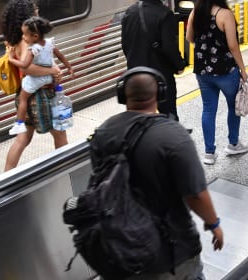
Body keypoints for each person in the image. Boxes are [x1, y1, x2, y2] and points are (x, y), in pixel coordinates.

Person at [89, 70, 224, 278]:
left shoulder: (103, 132)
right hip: (171, 251)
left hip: (121, 248)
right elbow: (195, 194)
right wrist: (214, 224)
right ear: (160, 93)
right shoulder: (173, 135)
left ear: (123, 96)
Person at [184, 0, 248, 165]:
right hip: (225, 71)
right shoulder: (225, 14)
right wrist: (242, 69)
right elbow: (233, 45)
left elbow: (189, 38)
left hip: (203, 72)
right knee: (233, 107)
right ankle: (233, 144)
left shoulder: (196, 11)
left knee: (208, 109)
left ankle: (209, 154)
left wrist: (205, 44)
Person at [2, 0, 68, 171]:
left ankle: (5, 178)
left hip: (26, 93)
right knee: (60, 134)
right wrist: (52, 71)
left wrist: (53, 68)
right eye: (34, 9)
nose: (38, 11)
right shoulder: (27, 42)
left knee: (23, 138)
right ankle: (66, 172)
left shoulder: (16, 38)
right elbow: (28, 68)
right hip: (40, 95)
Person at [121, 0, 187, 121]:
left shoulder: (130, 12)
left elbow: (125, 44)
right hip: (160, 78)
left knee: (140, 119)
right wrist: (179, 65)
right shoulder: (165, 14)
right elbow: (169, 47)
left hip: (135, 78)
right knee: (168, 118)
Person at [7, 15, 73, 135]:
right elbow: (60, 56)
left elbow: (24, 65)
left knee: (23, 98)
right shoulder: (49, 43)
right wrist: (69, 67)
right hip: (48, 78)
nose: (23, 37)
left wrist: (11, 58)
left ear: (35, 36)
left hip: (36, 79)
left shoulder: (33, 49)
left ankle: (20, 123)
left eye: (25, 35)